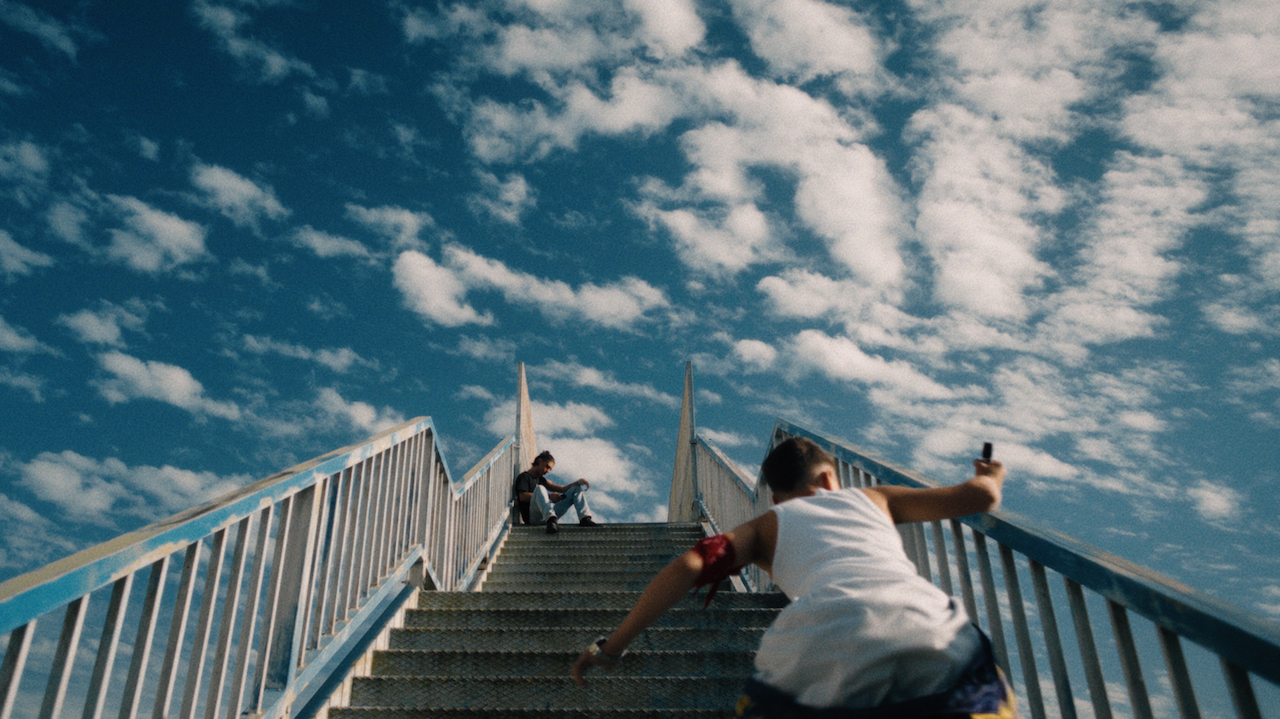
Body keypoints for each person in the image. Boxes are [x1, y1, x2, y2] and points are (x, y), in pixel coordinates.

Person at [571, 437, 1016, 718]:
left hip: (816, 640)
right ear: (828, 478)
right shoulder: (873, 498)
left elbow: (690, 565)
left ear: (776, 496)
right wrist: (989, 476)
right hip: (922, 623)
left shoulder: (766, 526)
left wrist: (614, 646)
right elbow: (978, 498)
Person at [513, 450, 600, 534]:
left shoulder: (541, 480)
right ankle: (551, 520)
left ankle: (584, 519)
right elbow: (522, 496)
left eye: (550, 469)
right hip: (533, 518)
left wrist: (578, 483)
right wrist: (549, 497)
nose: (548, 471)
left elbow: (563, 489)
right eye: (547, 467)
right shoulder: (524, 477)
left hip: (548, 516)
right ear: (539, 461)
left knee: (575, 489)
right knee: (540, 488)